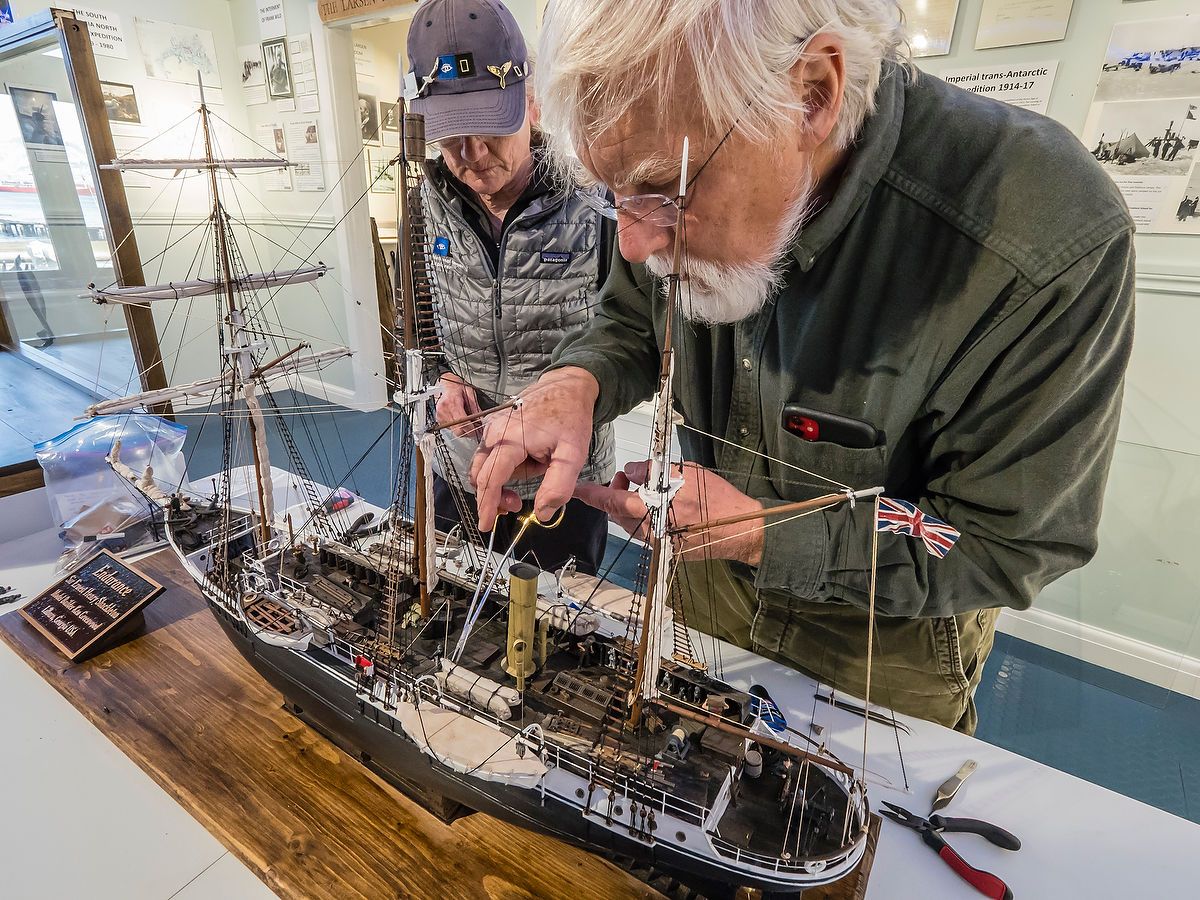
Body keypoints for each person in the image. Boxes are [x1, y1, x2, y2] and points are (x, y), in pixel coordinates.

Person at [470, 0, 1135, 733]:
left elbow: (1002, 542)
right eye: (609, 194)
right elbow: (633, 318)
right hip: (703, 591)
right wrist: (576, 383)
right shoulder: (663, 184)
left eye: (662, 191)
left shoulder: (1045, 236)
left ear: (812, 92)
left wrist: (761, 533)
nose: (631, 243)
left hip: (884, 645)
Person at [407, 0, 615, 574]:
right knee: (450, 606)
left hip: (563, 469)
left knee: (558, 616)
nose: (472, 156)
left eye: (489, 128)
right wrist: (440, 380)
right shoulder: (424, 203)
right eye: (451, 137)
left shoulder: (595, 199)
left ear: (531, 101)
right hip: (461, 463)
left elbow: (629, 331)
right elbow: (417, 319)